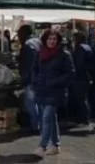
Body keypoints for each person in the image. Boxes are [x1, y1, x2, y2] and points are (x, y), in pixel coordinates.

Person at [32, 29, 74, 157]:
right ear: (45, 40)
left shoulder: (64, 55)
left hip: (56, 91)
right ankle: (56, 145)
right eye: (49, 39)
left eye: (54, 39)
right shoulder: (40, 53)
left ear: (58, 41)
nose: (52, 41)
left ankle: (42, 146)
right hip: (42, 90)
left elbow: (70, 73)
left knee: (46, 117)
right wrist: (36, 80)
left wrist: (56, 81)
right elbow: (34, 69)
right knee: (51, 118)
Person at [17, 24, 41, 132]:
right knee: (38, 103)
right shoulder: (38, 41)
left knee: (31, 103)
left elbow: (28, 65)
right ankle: (40, 125)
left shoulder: (27, 45)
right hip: (40, 77)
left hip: (31, 79)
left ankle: (36, 126)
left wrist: (25, 80)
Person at [70, 31, 93, 126]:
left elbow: (79, 64)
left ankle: (84, 118)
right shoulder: (87, 47)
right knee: (83, 98)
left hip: (80, 77)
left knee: (81, 99)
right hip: (86, 76)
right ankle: (85, 117)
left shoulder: (80, 48)